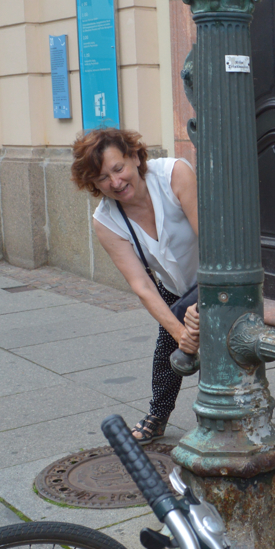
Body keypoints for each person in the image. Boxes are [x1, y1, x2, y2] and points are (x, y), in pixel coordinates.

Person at [70, 128, 201, 445]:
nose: (115, 182)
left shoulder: (174, 175)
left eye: (118, 168)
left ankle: (221, 419)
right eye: (103, 178)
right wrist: (180, 333)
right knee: (167, 351)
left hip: (212, 277)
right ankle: (158, 415)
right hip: (171, 287)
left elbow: (214, 246)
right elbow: (142, 285)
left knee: (220, 350)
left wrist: (205, 302)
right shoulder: (106, 221)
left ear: (135, 157)